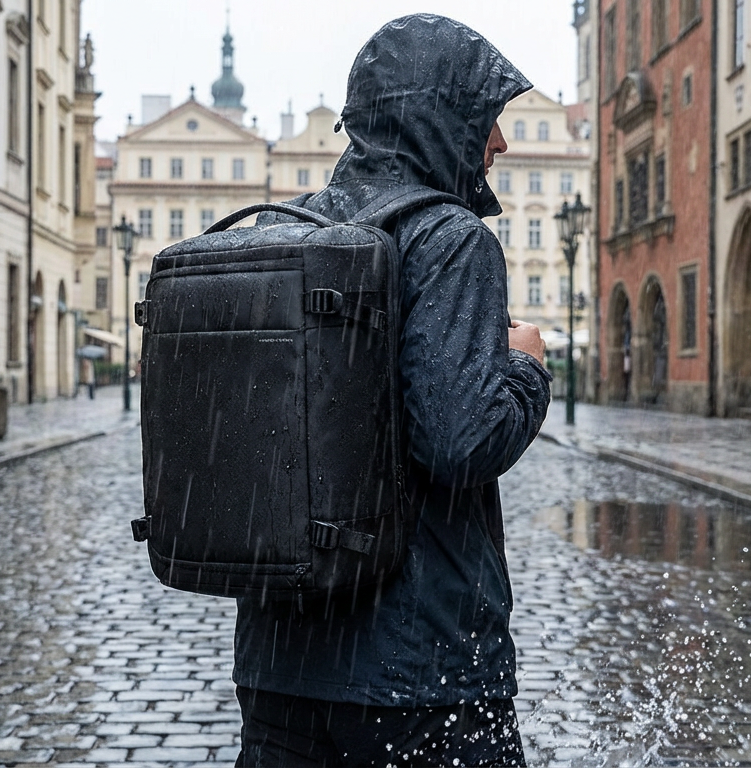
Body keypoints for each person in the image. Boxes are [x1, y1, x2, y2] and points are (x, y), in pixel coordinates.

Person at [233, 15, 550, 767]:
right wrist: (526, 370)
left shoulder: (284, 231)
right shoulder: (450, 239)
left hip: (280, 666)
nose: (500, 143)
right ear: (442, 118)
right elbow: (460, 442)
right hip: (422, 672)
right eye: (487, 117)